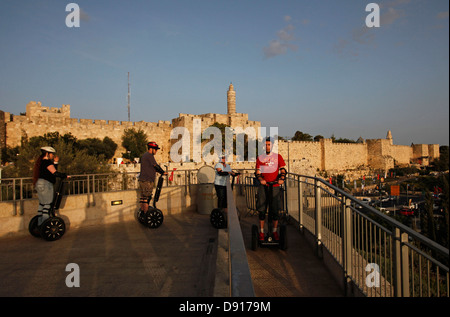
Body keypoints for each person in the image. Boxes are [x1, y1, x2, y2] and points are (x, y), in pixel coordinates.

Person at [255, 137, 287, 241]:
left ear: (272, 146)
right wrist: (260, 179)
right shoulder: (260, 158)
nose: (267, 146)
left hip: (275, 186)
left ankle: (274, 231)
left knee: (275, 211)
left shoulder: (278, 157)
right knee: (262, 211)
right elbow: (258, 172)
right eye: (266, 144)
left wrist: (282, 178)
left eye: (269, 144)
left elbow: (282, 170)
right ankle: (261, 232)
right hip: (264, 186)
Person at [32, 146, 68, 226]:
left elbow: (52, 171)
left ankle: (39, 222)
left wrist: (55, 162)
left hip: (39, 183)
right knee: (48, 204)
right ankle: (45, 223)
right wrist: (65, 175)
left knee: (42, 204)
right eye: (52, 154)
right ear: (47, 154)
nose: (53, 155)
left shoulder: (41, 162)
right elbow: (55, 173)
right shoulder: (47, 162)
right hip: (46, 184)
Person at [138, 141, 167, 213]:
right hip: (147, 180)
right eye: (156, 149)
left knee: (143, 197)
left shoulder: (145, 155)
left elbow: (151, 167)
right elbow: (155, 165)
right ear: (151, 149)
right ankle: (146, 214)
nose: (156, 151)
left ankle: (142, 212)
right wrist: (163, 172)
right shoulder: (149, 155)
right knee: (147, 198)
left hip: (142, 179)